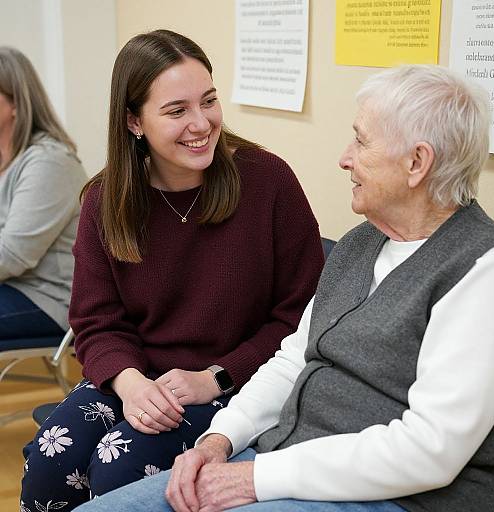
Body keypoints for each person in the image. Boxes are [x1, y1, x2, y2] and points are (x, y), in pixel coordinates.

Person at [75, 64, 494, 512]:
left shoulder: (487, 271)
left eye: (361, 141)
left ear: (417, 163)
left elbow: (428, 452)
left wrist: (255, 477)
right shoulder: (362, 242)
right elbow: (291, 360)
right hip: (286, 458)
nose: (345, 158)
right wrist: (218, 439)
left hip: (399, 498)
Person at [20, 30, 323, 511]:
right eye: (177, 111)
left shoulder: (268, 182)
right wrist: (129, 382)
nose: (201, 123)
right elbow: (96, 321)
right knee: (49, 462)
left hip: (237, 385)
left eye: (209, 101)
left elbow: (304, 318)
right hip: (137, 379)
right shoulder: (105, 200)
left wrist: (216, 377)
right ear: (134, 122)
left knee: (119, 465)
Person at [0, 47, 86, 340]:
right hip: (11, 287)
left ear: (15, 103)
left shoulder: (50, 161)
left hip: (48, 298)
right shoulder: (5, 159)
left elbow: (11, 256)